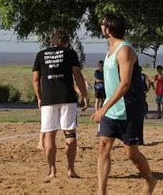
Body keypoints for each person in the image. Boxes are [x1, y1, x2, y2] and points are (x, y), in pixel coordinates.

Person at [91, 13, 156, 195]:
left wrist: (103, 107)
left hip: (129, 108)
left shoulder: (125, 50)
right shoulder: (110, 48)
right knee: (103, 145)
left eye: (102, 24)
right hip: (112, 109)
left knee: (131, 154)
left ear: (108, 30)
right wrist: (106, 107)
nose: (100, 26)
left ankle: (150, 181)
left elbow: (125, 84)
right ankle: (101, 192)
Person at [32, 28, 88, 181]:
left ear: (51, 41)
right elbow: (78, 75)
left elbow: (35, 79)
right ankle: (70, 169)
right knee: (70, 134)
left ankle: (52, 171)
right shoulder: (70, 53)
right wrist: (85, 95)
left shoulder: (41, 54)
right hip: (67, 98)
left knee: (49, 135)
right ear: (66, 42)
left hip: (48, 99)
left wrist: (39, 97)